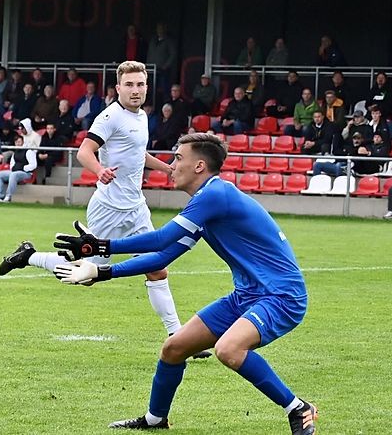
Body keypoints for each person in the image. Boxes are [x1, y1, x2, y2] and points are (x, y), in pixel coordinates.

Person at [46, 133, 317, 434]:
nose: (171, 165)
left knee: (228, 349)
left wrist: (100, 247)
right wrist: (102, 272)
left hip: (281, 296)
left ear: (199, 166)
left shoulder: (215, 196)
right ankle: (155, 419)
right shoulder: (206, 203)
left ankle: (299, 408)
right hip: (248, 295)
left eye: (178, 158)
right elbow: (162, 256)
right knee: (174, 348)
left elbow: (161, 238)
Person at [0, 60, 193, 348]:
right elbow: (84, 151)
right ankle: (29, 256)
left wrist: (166, 169)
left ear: (147, 87)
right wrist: (99, 170)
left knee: (157, 266)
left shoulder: (141, 117)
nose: (135, 90)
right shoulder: (110, 116)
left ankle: (178, 336)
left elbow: (138, 154)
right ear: (118, 88)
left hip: (136, 207)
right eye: (129, 85)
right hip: (109, 209)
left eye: (140, 84)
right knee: (85, 274)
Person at [0, 132, 37, 203]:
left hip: (27, 174)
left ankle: (8, 196)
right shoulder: (15, 153)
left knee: (14, 174)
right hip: (15, 172)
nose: (18, 143)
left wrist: (23, 168)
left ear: (23, 142)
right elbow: (12, 164)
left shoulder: (29, 151)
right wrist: (14, 168)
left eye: (19, 142)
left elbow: (33, 165)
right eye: (16, 142)